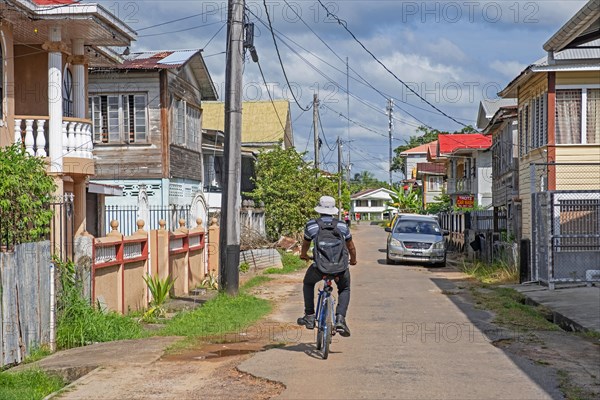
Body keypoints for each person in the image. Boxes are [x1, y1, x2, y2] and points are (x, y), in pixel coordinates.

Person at [297, 195, 357, 337]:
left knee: (308, 283)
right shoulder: (342, 226)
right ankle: (341, 319)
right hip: (340, 268)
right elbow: (351, 247)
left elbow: (305, 245)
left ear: (319, 209)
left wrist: (303, 255)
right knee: (344, 288)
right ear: (334, 210)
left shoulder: (312, 225)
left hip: (319, 267)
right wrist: (353, 260)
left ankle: (310, 316)